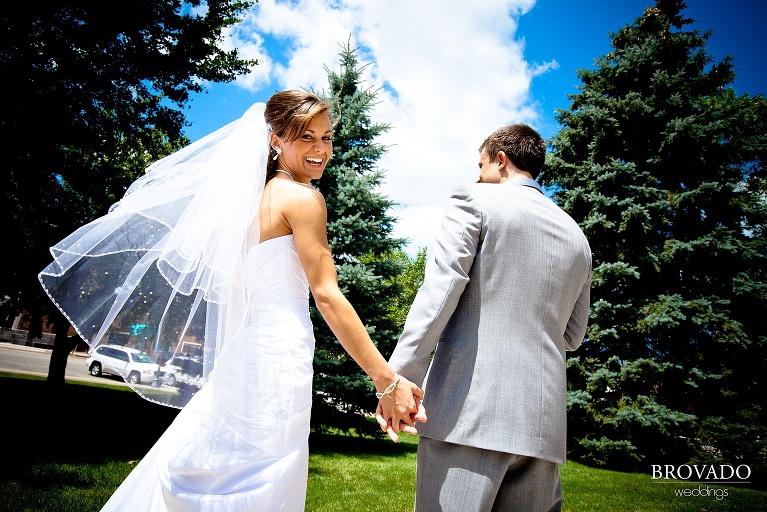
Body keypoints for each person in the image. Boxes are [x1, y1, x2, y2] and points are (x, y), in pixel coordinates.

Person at [39, 90, 425, 511]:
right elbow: (327, 295)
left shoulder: (246, 206)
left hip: (243, 352)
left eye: (327, 137)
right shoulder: (304, 200)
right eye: (306, 136)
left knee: (226, 461)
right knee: (261, 472)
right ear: (276, 139)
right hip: (278, 355)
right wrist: (385, 379)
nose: (320, 149)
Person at [376, 124, 592, 511]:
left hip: (469, 415)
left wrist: (398, 380)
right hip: (542, 429)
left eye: (481, 164)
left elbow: (440, 294)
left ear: (501, 160)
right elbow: (573, 335)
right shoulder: (578, 237)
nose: (477, 175)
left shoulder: (473, 199)